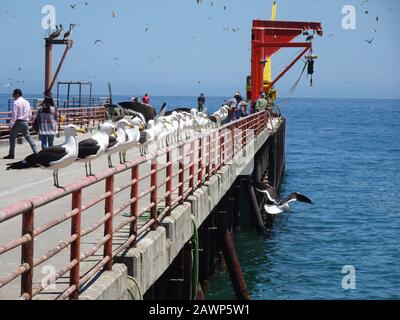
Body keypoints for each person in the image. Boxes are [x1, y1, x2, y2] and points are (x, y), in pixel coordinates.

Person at [3, 89, 37, 159]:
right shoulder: (27, 102)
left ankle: (11, 154)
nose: (13, 96)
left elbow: (14, 115)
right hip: (25, 122)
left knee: (12, 138)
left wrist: (11, 125)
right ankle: (36, 152)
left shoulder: (16, 102)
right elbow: (30, 114)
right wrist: (27, 120)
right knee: (29, 138)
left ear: (17, 94)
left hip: (17, 122)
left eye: (13, 94)